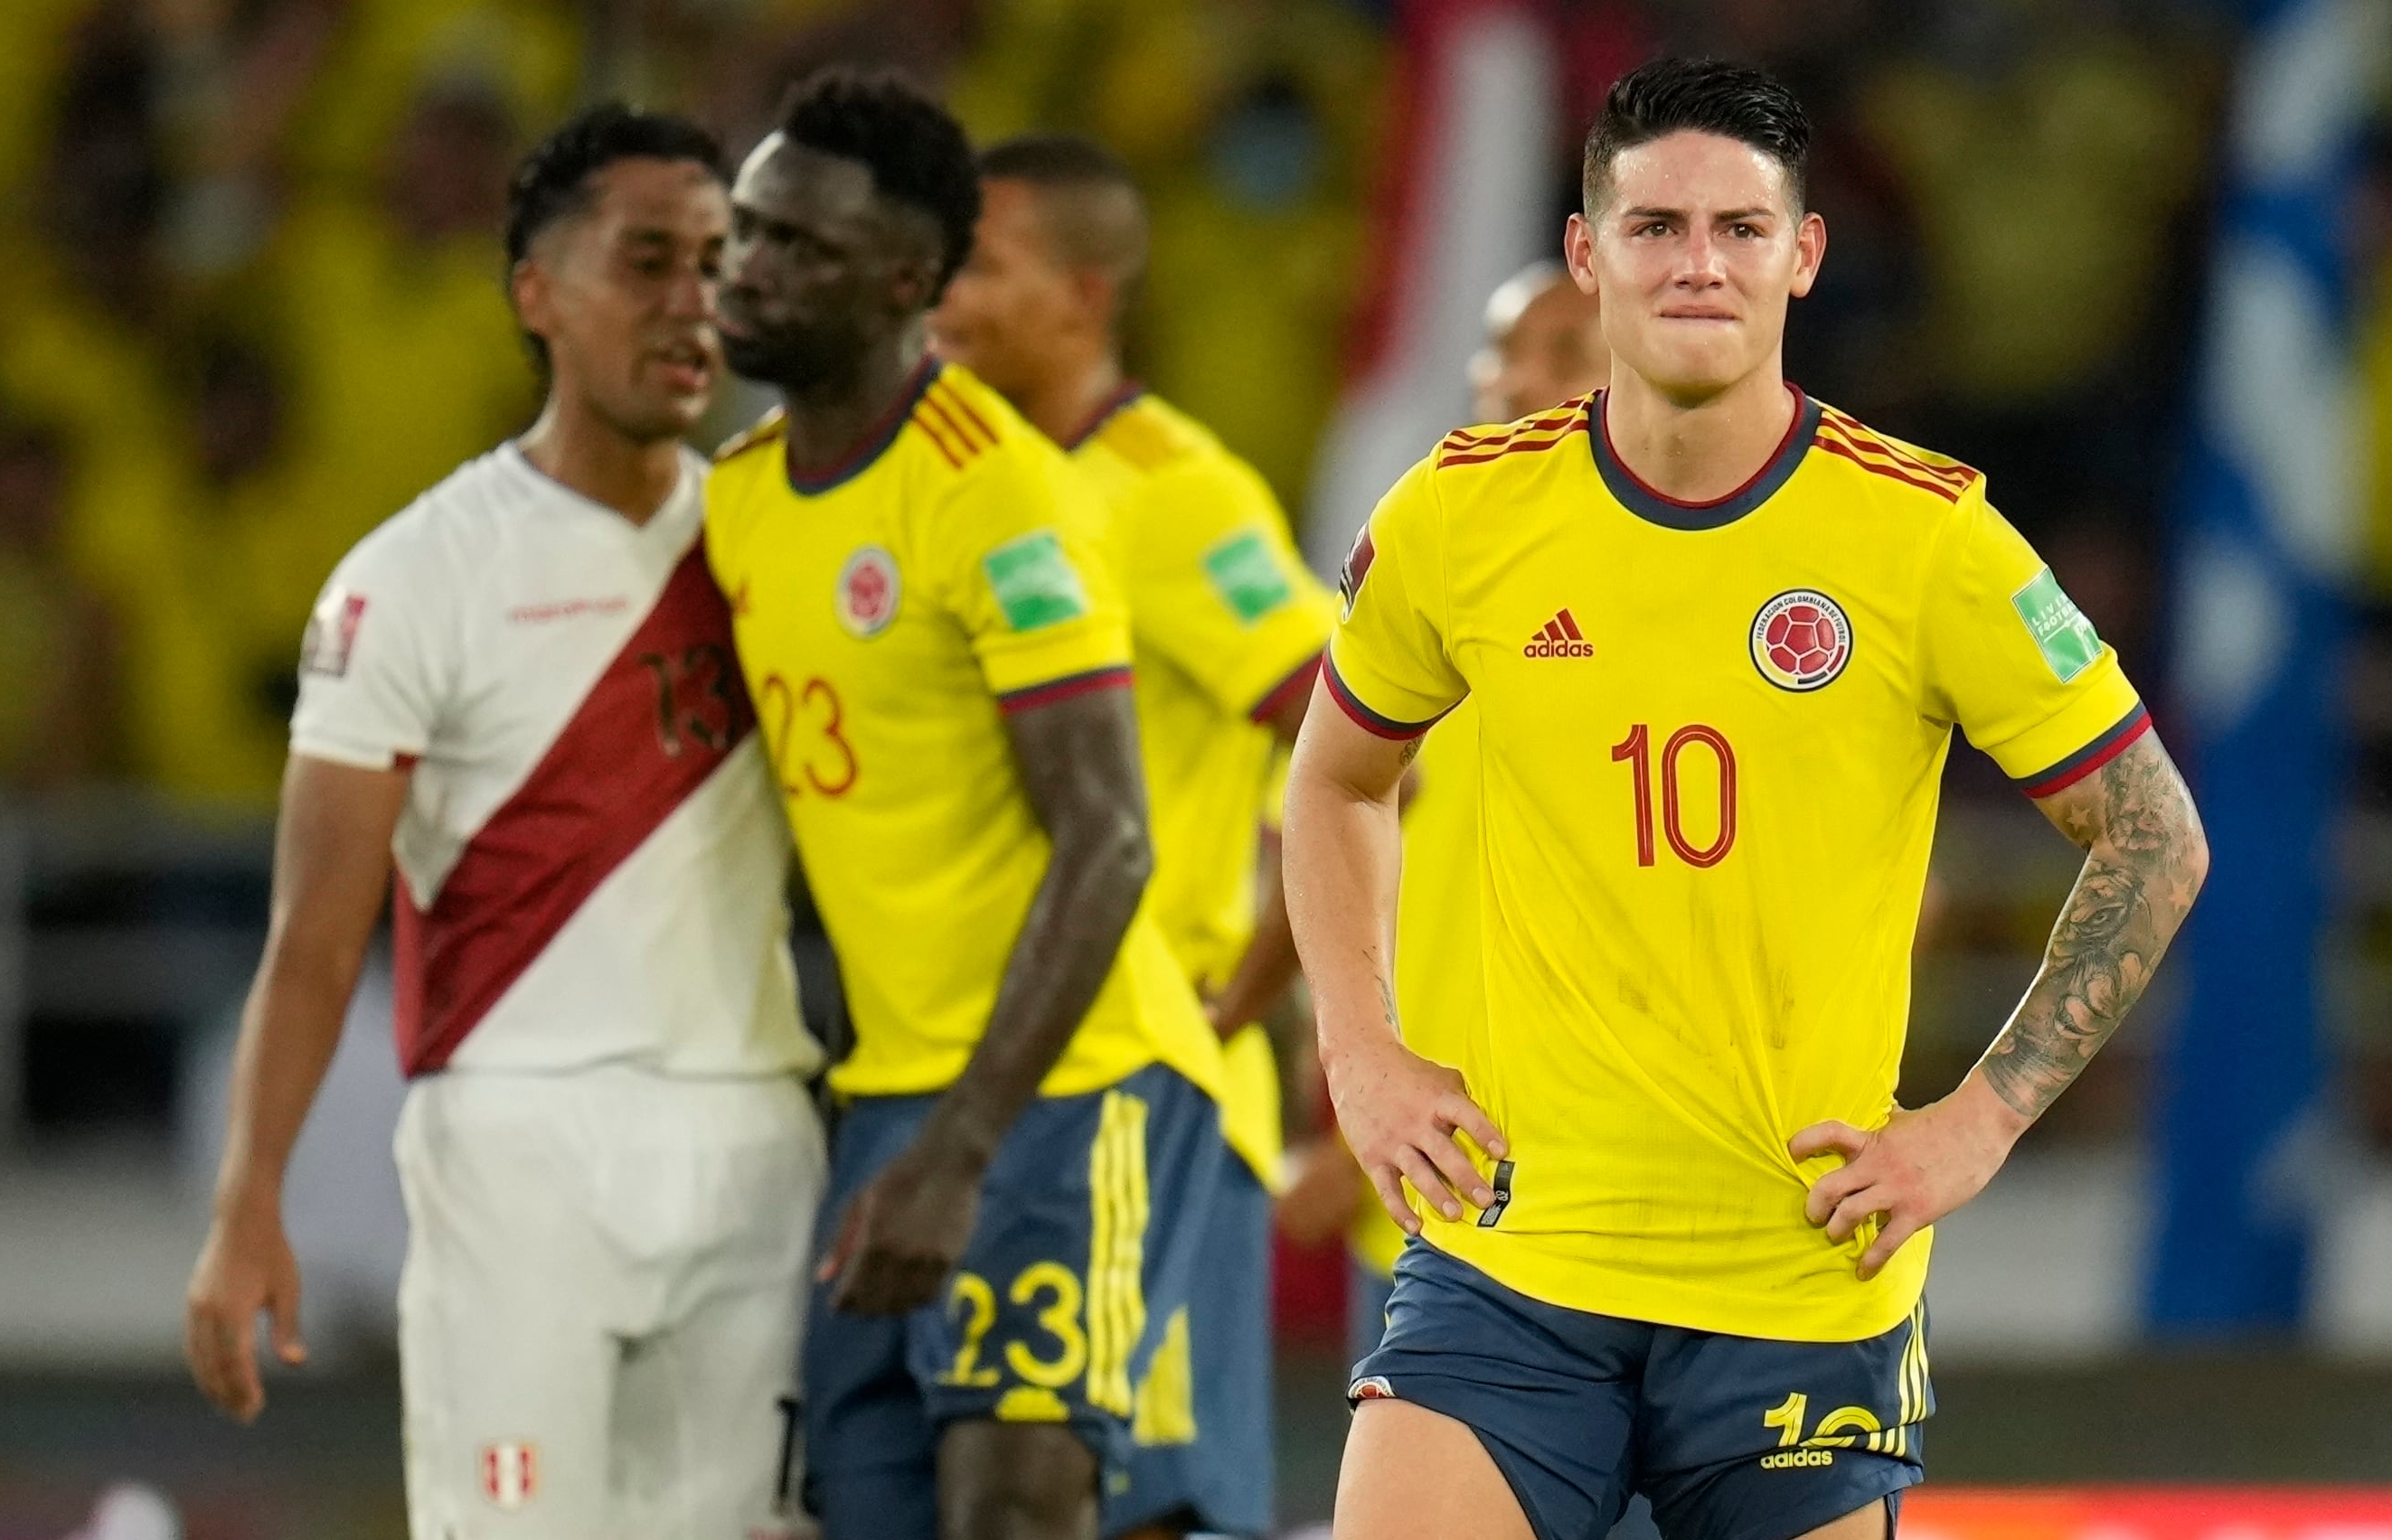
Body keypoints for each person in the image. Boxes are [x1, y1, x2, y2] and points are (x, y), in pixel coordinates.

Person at [1286, 60, 2209, 1540]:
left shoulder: (1927, 538)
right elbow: (1334, 777)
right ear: (1589, 257)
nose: (1697, 261)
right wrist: (1364, 1052)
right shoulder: (1459, 512)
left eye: (1737, 226)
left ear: (1805, 252)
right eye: (1653, 227)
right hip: (1515, 1253)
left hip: (1795, 1278)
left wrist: (1978, 1121)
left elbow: (2155, 828)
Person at [181, 106, 826, 1539]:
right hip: (520, 1154)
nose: (688, 300)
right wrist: (249, 1203)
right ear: (535, 293)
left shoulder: (779, 543)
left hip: (755, 1140)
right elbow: (308, 936)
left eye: (716, 261)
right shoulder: (409, 581)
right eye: (644, 258)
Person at [704, 70, 1231, 1540]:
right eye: (746, 229)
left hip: (1064, 1086)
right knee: (863, 1511)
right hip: (883, 1094)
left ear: (904, 282)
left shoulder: (996, 494)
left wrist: (964, 1142)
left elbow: (1107, 831)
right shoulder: (739, 496)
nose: (749, 266)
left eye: (798, 247)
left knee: (1015, 1509)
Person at [929, 132, 1335, 1540]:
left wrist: (1256, 986)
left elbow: (1368, 751)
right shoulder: (959, 477)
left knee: (1142, 1506)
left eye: (978, 262)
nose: (941, 293)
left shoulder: (1173, 490)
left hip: (1138, 1086)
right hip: (987, 1067)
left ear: (1087, 290)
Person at [1278, 259, 1612, 1370]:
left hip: (1631, 1185)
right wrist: (1343, 1091)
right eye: (1498, 350)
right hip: (1437, 1177)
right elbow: (1339, 828)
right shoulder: (1433, 585)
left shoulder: (1695, 604)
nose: (1511, 379)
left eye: (1558, 353)